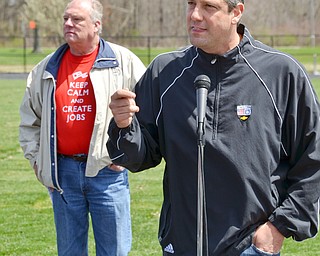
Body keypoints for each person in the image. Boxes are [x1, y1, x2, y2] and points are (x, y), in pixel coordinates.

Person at [107, 0, 320, 255]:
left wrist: (278, 228)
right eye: (191, 4)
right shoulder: (165, 72)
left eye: (209, 7)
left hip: (250, 247)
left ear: (236, 13)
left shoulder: (281, 73)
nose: (195, 15)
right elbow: (137, 158)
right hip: (181, 244)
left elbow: (313, 160)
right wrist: (123, 125)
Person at [19, 0, 146, 255]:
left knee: (115, 251)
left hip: (107, 171)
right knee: (69, 251)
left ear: (96, 25)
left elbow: (150, 110)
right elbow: (29, 120)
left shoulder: (123, 61)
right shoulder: (45, 68)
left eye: (77, 19)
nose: (68, 24)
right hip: (63, 173)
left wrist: (130, 154)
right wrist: (37, 160)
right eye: (66, 18)